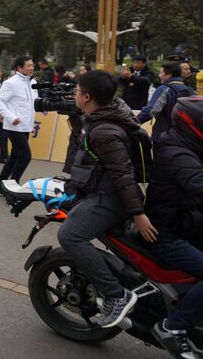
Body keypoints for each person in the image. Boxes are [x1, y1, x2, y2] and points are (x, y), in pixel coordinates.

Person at [57, 70, 156, 329]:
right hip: (99, 190)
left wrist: (137, 212)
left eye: (78, 92)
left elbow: (123, 174)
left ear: (88, 97)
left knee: (70, 235)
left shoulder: (105, 131)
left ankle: (116, 295)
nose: (74, 95)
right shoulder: (108, 112)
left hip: (110, 198)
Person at [143, 96, 203, 357]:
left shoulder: (192, 144)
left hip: (190, 222)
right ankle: (173, 327)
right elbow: (198, 183)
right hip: (164, 230)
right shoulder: (175, 149)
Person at [0, 56, 40, 194]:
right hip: (14, 126)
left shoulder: (32, 82)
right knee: (25, 156)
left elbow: (34, 101)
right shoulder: (11, 83)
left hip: (26, 125)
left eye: (32, 65)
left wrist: (43, 108)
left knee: (15, 156)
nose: (31, 68)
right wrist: (11, 117)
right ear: (19, 68)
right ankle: (13, 185)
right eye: (28, 65)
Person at [136, 62, 195, 142]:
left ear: (169, 75)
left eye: (161, 73)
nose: (159, 75)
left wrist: (134, 123)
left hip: (164, 136)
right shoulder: (190, 90)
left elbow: (151, 111)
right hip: (187, 137)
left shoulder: (164, 89)